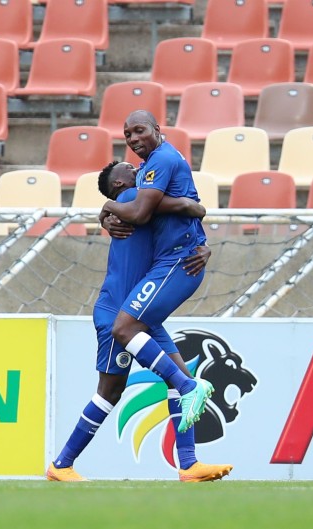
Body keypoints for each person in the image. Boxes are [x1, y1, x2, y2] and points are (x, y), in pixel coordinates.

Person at [47, 161, 232, 483]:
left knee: (176, 380)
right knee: (109, 391)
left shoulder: (134, 205)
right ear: (119, 184)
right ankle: (61, 465)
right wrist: (194, 207)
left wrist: (202, 249)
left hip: (140, 312)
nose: (139, 169)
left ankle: (188, 464)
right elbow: (186, 208)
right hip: (117, 313)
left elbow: (176, 232)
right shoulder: (136, 197)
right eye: (130, 169)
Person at [97, 110, 215, 437]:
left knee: (124, 333)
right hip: (165, 267)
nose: (133, 140)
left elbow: (142, 211)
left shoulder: (157, 164)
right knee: (160, 375)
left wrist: (107, 209)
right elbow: (179, 208)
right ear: (121, 185)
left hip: (176, 263)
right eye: (128, 135)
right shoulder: (146, 173)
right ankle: (189, 463)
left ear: (156, 129)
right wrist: (193, 210)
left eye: (139, 131)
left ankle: (188, 386)